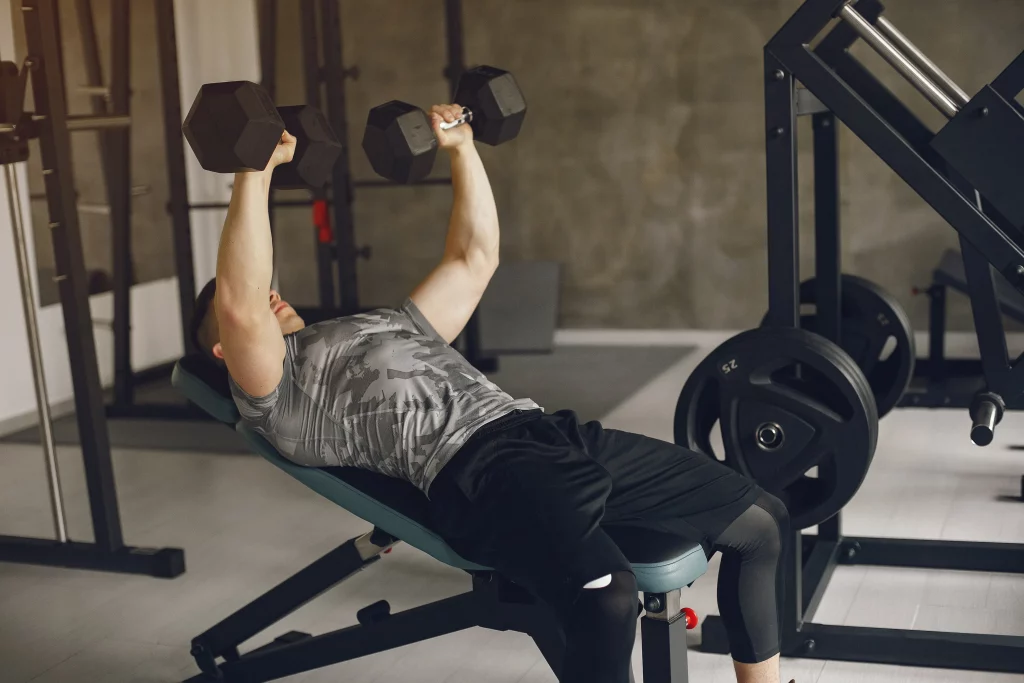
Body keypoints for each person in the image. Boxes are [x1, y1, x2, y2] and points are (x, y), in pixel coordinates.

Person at [189, 103, 792, 683]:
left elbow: (473, 258)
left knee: (762, 522)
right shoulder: (280, 393)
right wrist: (254, 170)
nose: (271, 294)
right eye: (249, 301)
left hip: (548, 434)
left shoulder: (379, 323)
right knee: (607, 597)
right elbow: (242, 305)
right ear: (225, 351)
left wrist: (462, 151)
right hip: (479, 473)